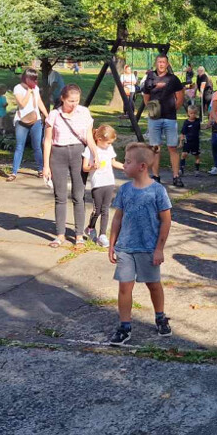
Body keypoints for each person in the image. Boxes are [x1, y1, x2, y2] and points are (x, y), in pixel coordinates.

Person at [107, 142, 173, 345]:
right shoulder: (125, 190)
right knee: (124, 288)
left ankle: (160, 317)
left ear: (142, 166)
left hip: (148, 249)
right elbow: (117, 218)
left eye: (128, 162)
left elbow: (166, 221)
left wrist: (159, 249)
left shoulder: (157, 191)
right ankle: (124, 326)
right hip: (126, 248)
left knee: (153, 285)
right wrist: (112, 243)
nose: (124, 165)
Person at [43, 83, 94, 247]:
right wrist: (45, 165)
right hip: (58, 154)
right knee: (60, 196)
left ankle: (79, 235)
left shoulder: (84, 112)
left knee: (79, 196)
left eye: (77, 101)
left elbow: (89, 137)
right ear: (63, 99)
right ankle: (60, 235)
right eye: (71, 101)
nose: (74, 104)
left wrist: (95, 154)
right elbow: (47, 141)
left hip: (78, 153)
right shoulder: (54, 115)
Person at [141, 55, 185, 187]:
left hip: (170, 118)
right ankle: (156, 176)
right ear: (156, 63)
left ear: (167, 64)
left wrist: (173, 108)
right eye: (159, 62)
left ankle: (176, 176)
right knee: (155, 148)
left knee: (172, 147)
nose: (161, 64)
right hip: (155, 118)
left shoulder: (173, 79)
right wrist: (151, 109)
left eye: (163, 62)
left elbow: (180, 97)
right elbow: (146, 96)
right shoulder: (150, 78)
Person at [84, 124, 123, 248]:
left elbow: (113, 162)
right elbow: (84, 167)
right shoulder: (90, 149)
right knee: (97, 210)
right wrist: (92, 167)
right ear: (99, 139)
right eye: (108, 143)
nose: (109, 145)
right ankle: (90, 228)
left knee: (105, 209)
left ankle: (102, 235)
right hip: (97, 183)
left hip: (109, 182)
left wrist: (126, 167)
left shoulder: (109, 148)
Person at [9, 69, 47, 181]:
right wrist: (29, 92)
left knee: (37, 146)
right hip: (22, 121)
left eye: (36, 79)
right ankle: (14, 172)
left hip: (36, 120)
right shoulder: (18, 88)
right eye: (33, 79)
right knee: (19, 146)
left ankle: (40, 169)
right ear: (26, 78)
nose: (35, 81)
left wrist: (47, 115)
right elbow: (22, 104)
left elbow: (39, 102)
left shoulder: (36, 88)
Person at [180, 106, 202, 175]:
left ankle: (197, 170)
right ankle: (181, 169)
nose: (193, 114)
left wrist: (209, 125)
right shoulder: (186, 122)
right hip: (187, 141)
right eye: (191, 113)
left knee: (196, 156)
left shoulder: (198, 121)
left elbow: (201, 127)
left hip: (195, 142)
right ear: (188, 113)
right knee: (184, 154)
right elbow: (182, 133)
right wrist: (181, 142)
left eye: (194, 113)